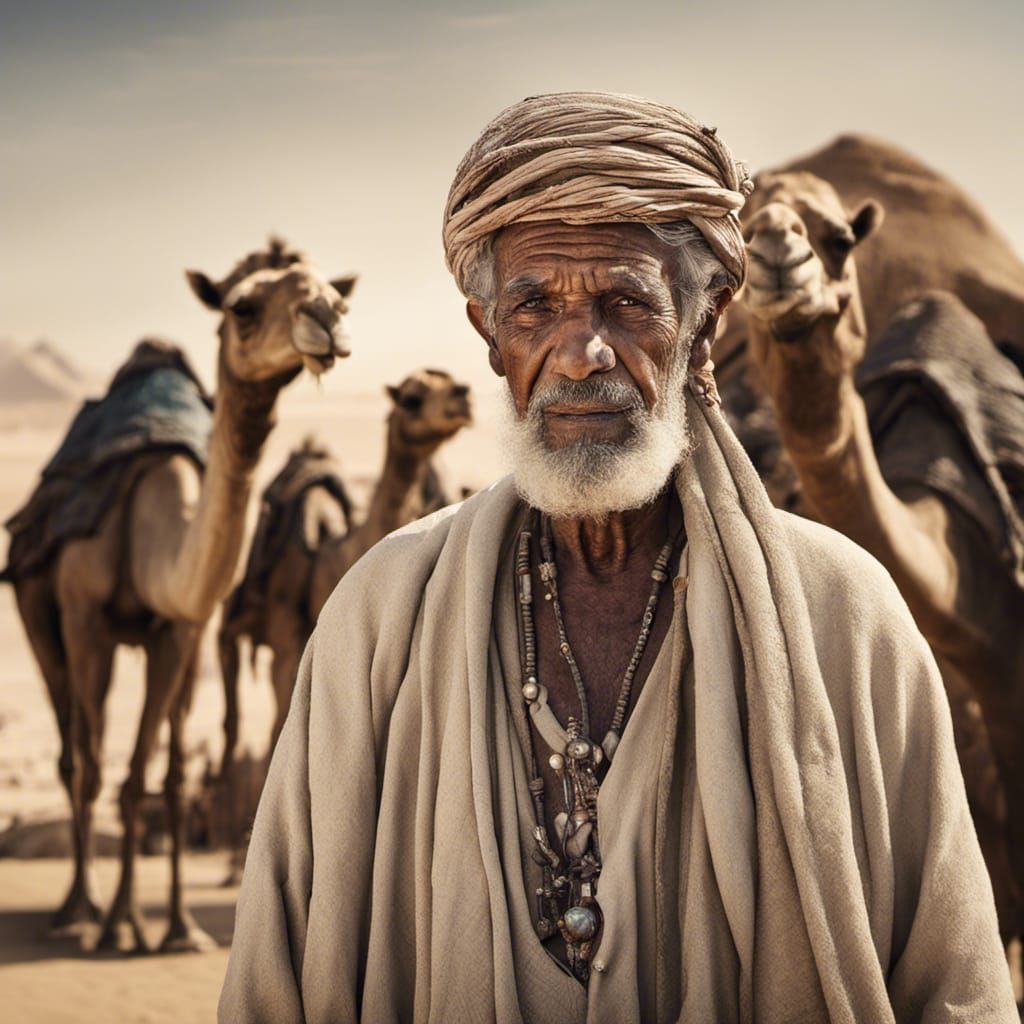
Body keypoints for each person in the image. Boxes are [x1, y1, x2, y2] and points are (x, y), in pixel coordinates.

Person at [219, 93, 1015, 1023]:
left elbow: (954, 990)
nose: (581, 352)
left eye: (627, 303)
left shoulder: (846, 617)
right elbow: (274, 979)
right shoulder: (379, 618)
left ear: (705, 322)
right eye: (534, 306)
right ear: (489, 335)